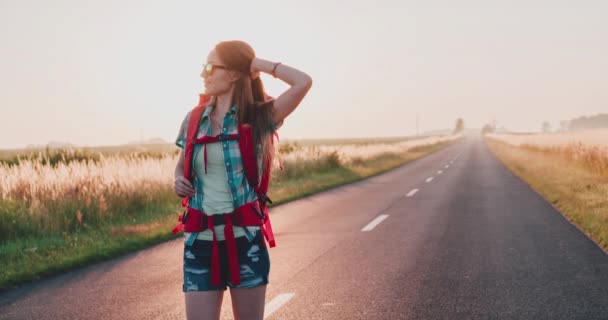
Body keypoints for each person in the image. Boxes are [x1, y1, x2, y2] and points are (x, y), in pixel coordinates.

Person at [173, 40, 312, 320]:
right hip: (200, 241)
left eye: (212, 67)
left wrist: (257, 65)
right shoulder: (194, 119)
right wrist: (178, 180)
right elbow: (181, 166)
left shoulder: (260, 116)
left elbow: (303, 82)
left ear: (235, 74)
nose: (204, 73)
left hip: (244, 240)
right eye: (203, 67)